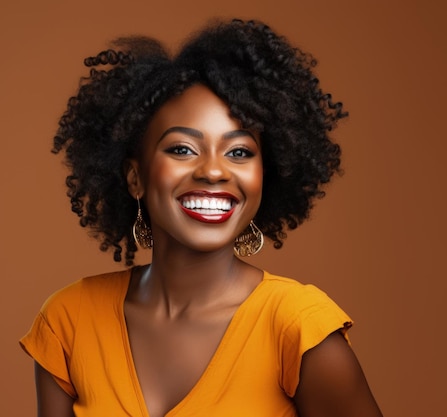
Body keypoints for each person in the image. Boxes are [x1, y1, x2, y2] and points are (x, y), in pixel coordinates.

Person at [19, 18, 383, 417]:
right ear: (135, 176)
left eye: (240, 152)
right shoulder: (68, 321)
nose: (213, 171)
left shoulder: (299, 329)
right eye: (182, 149)